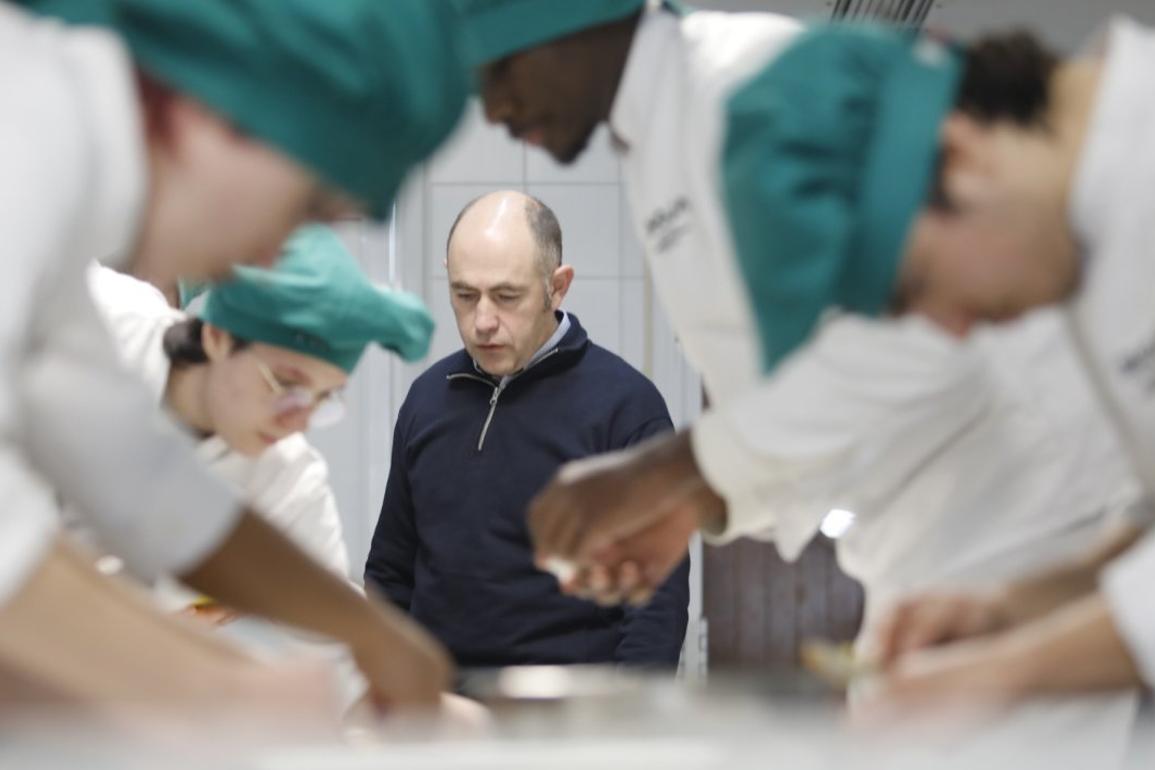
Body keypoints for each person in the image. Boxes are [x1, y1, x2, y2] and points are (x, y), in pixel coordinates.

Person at [452, 0, 1133, 682]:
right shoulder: (656, 143)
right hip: (928, 536)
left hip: (1024, 515)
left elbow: (926, 337)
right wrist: (698, 503)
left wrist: (668, 472)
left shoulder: (745, 85)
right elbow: (802, 392)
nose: (495, 107)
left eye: (504, 64)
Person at [622, 13, 1155, 709]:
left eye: (915, 288)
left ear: (962, 157)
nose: (949, 328)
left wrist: (1005, 672)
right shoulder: (1085, 229)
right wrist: (1007, 612)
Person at [0, 0, 467, 711]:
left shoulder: (60, 179)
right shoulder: (24, 141)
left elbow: (139, 478)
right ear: (228, 113)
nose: (272, 254)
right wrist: (215, 693)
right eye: (307, 206)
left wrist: (367, 631)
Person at [366, 191, 689, 670]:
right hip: (441, 713)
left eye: (506, 296)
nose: (482, 322)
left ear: (557, 287)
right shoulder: (428, 399)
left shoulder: (625, 408)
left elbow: (656, 603)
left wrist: (625, 720)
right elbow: (391, 574)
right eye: (464, 294)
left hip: (571, 716)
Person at [84, 225, 436, 621]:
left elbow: (339, 633)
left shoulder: (288, 480)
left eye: (324, 397)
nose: (297, 422)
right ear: (218, 336)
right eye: (287, 384)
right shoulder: (100, 325)